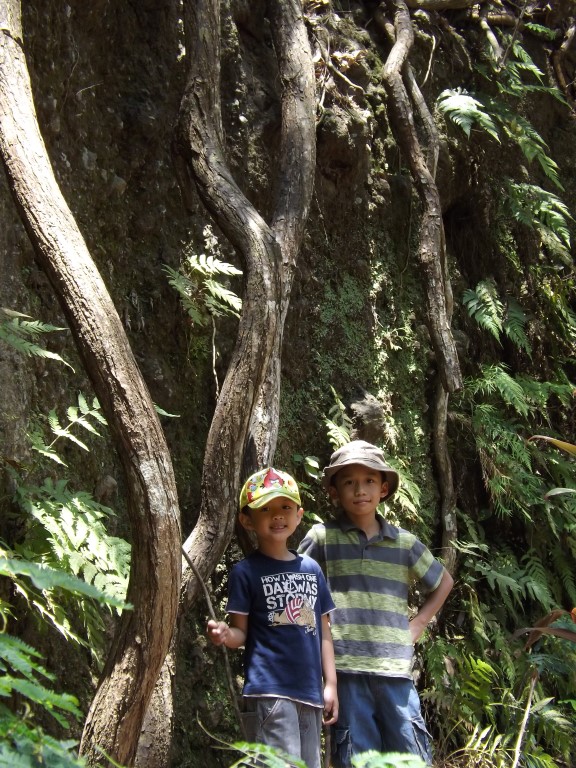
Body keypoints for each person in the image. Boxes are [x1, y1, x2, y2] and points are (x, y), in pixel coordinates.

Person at [298, 440, 454, 767]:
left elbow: (443, 582)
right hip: (345, 671)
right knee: (357, 756)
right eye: (349, 482)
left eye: (369, 481)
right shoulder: (322, 538)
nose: (360, 490)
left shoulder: (404, 543)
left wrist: (420, 622)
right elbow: (296, 584)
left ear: (383, 489)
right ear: (334, 492)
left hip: (395, 669)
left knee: (410, 753)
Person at [207, 467, 338, 768]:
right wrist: (226, 635)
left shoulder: (311, 569)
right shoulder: (246, 572)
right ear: (247, 520)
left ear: (299, 514)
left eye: (285, 507)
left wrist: (330, 683)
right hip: (271, 688)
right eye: (266, 509)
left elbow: (324, 631)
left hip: (310, 690)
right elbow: (242, 633)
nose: (277, 515)